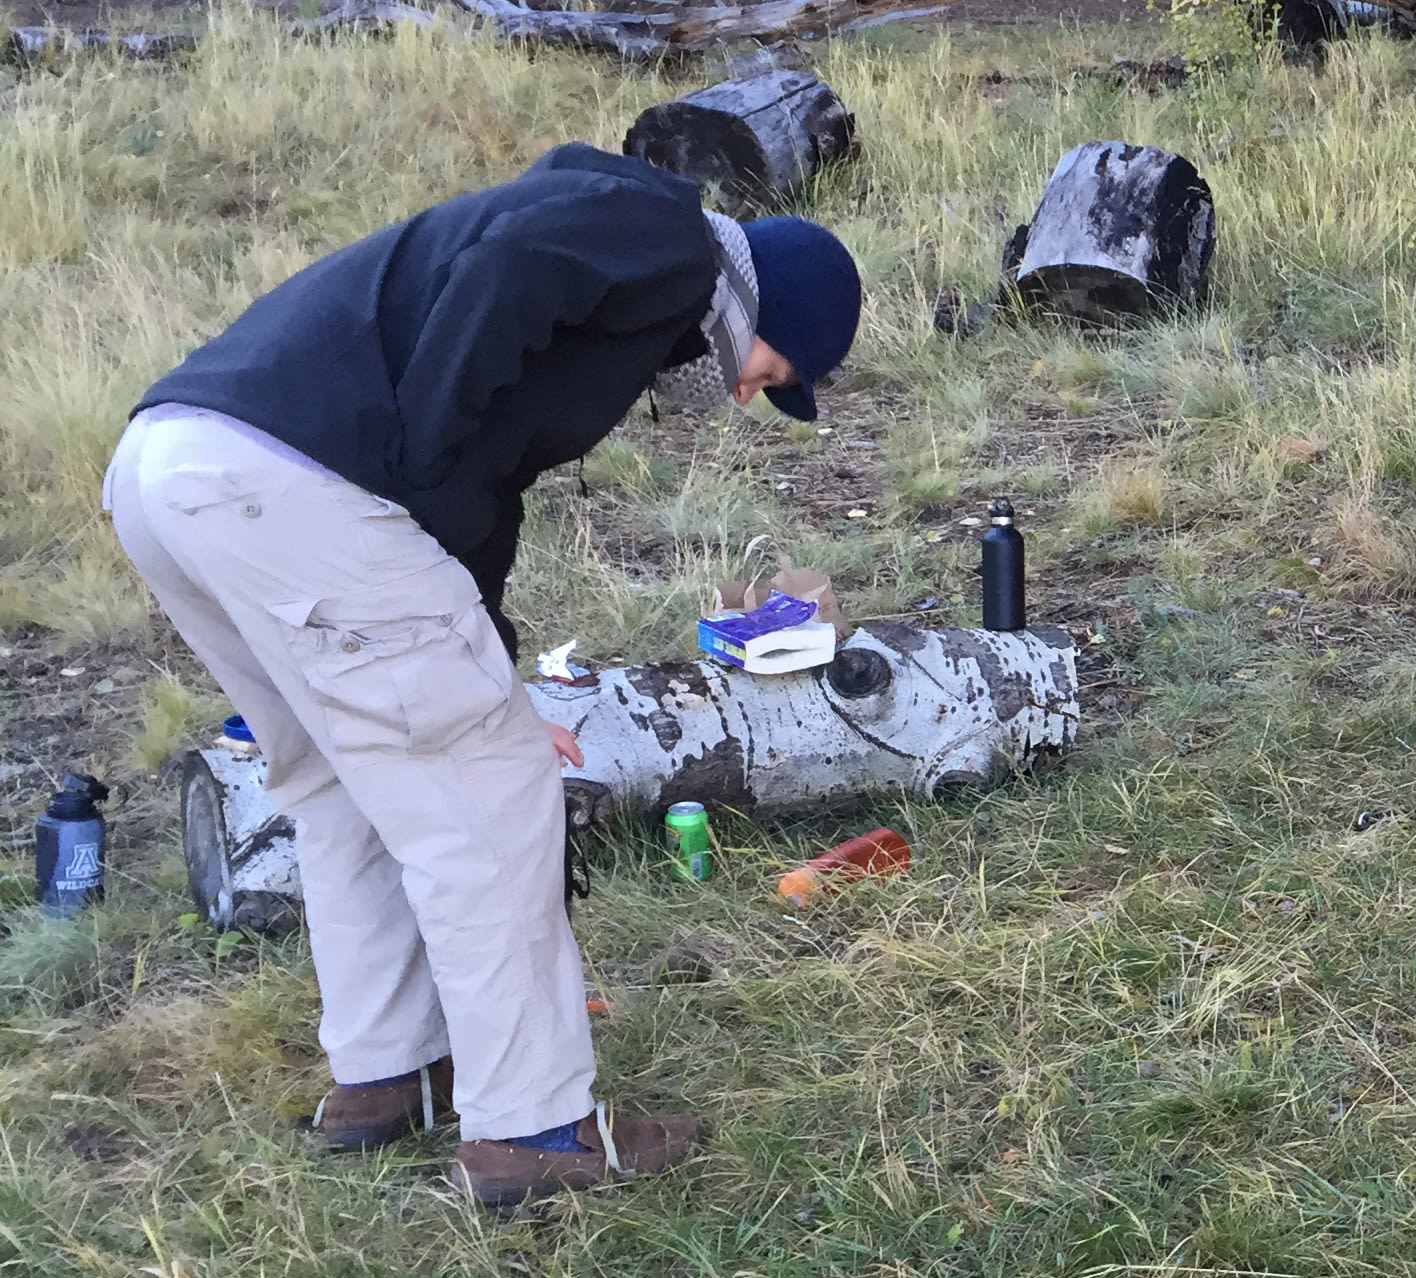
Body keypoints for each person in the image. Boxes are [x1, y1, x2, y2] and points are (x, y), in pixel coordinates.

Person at [103, 145, 862, 1210]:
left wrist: (483, 671)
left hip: (174, 465)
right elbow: (505, 279)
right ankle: (536, 1131)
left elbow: (483, 489)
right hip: (296, 482)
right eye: (773, 376)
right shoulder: (665, 241)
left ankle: (391, 1072)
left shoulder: (621, 271)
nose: (745, 396)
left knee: (338, 781)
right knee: (490, 800)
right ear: (774, 311)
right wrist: (421, 465)